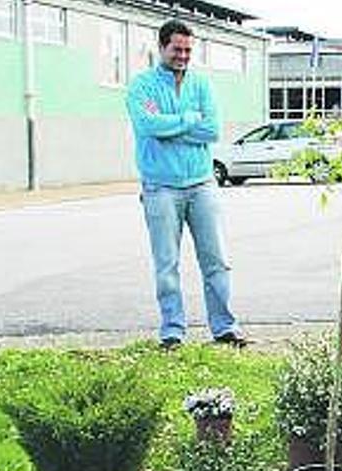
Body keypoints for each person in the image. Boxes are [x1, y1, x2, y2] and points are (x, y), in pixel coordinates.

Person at [126, 20, 244, 349]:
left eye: (188, 50)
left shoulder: (201, 85)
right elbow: (147, 125)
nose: (183, 55)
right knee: (167, 264)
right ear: (161, 47)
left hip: (202, 184)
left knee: (216, 260)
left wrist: (172, 127)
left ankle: (225, 328)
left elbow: (213, 131)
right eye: (177, 49)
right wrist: (189, 119)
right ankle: (173, 332)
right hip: (160, 187)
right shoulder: (142, 86)